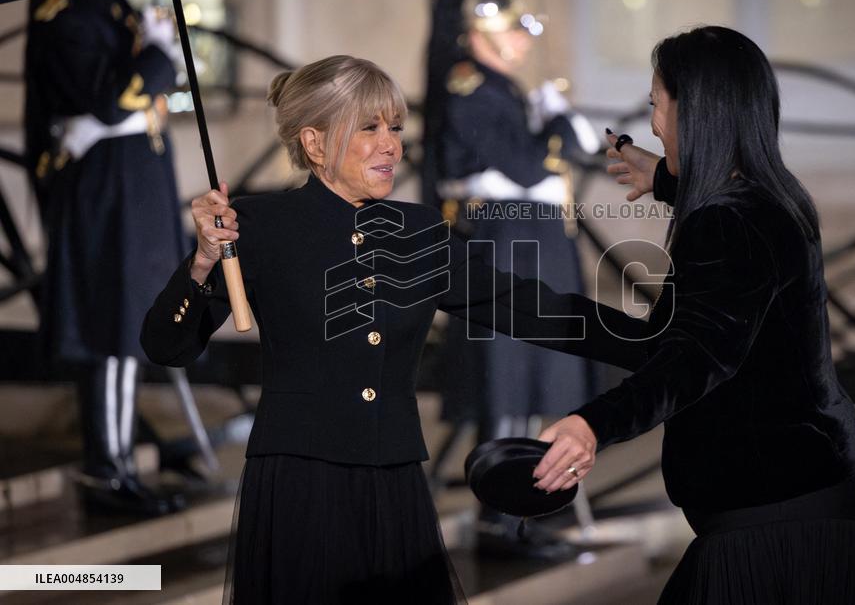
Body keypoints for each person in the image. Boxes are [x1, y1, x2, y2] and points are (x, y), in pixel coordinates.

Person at [139, 55, 647, 603]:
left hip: (396, 482)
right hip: (300, 486)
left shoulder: (420, 229)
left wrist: (652, 341)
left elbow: (522, 305)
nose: (392, 145)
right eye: (370, 128)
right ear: (314, 143)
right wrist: (202, 262)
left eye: (397, 128)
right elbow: (166, 346)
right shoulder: (258, 225)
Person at [533, 26, 855, 604]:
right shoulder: (774, 198)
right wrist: (665, 176)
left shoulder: (727, 222)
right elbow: (687, 326)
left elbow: (695, 356)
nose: (654, 124)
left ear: (697, 112)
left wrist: (594, 423)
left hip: (770, 525)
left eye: (655, 106)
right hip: (799, 507)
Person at [422, 0, 601, 553]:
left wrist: (555, 122)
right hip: (509, 241)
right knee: (508, 382)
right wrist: (554, 125)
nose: (524, 44)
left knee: (533, 381)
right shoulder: (471, 88)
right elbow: (527, 168)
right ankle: (501, 519)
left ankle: (521, 511)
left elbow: (579, 153)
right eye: (513, 31)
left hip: (531, 243)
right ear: (478, 33)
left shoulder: (500, 88)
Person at [25, 0, 187, 515]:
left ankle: (115, 465)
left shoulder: (113, 10)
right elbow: (108, 100)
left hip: (133, 192)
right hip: (106, 193)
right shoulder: (68, 14)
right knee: (114, 334)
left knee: (127, 328)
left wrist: (159, 52)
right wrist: (160, 55)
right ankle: (107, 473)